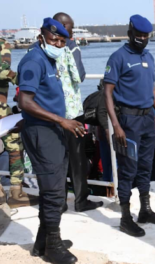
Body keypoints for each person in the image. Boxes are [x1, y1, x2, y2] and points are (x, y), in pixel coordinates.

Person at [17, 18, 82, 264]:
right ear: (41, 36)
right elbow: (25, 101)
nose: (57, 44)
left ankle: (42, 242)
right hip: (43, 132)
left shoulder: (49, 58)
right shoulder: (34, 60)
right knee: (54, 191)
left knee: (53, 187)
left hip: (51, 129)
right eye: (54, 39)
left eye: (62, 41)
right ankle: (53, 245)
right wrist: (62, 120)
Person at [104, 15, 155, 237]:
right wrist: (116, 126)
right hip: (128, 122)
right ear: (130, 32)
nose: (142, 38)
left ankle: (145, 210)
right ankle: (125, 217)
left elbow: (152, 90)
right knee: (128, 170)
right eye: (139, 34)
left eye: (146, 35)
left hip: (147, 120)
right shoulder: (118, 57)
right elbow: (107, 93)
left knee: (145, 167)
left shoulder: (149, 57)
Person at [51, 12, 103, 213]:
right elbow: (80, 75)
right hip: (72, 112)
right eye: (71, 28)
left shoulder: (41, 47)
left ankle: (60, 201)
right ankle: (81, 200)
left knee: (57, 159)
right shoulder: (70, 46)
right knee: (77, 157)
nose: (72, 33)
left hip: (52, 112)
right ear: (62, 26)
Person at [0, 38, 38, 208]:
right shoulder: (2, 45)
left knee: (15, 146)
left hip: (2, 110)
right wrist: (17, 77)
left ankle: (16, 192)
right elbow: (2, 70)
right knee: (15, 145)